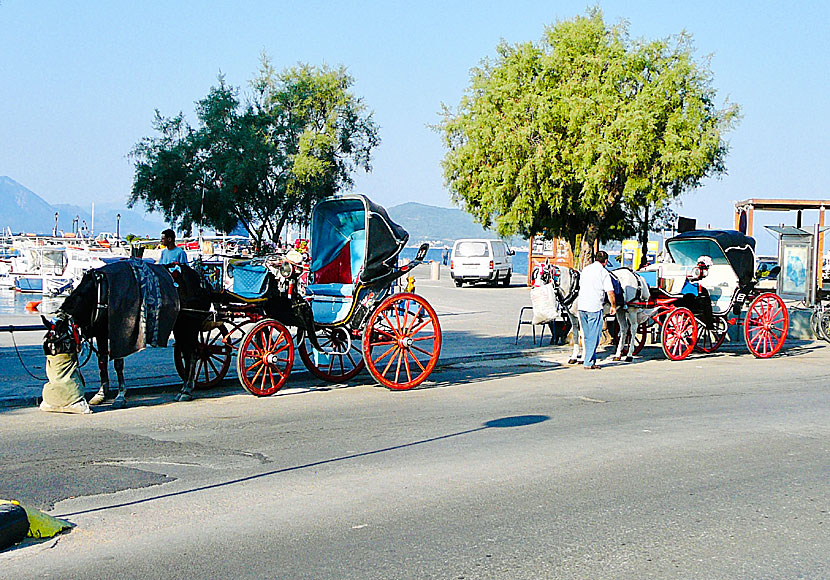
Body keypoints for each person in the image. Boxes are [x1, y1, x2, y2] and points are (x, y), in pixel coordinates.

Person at [576, 250, 616, 369]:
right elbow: (610, 292)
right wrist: (613, 306)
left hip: (582, 305)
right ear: (606, 261)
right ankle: (588, 362)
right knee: (594, 335)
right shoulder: (603, 272)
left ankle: (589, 359)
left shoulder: (586, 269)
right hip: (594, 306)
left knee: (587, 335)